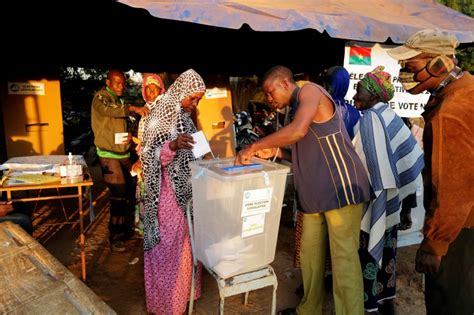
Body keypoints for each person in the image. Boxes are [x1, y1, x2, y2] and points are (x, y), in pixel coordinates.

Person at [236, 65, 371, 315]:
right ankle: (309, 309)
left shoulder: (310, 91)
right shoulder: (297, 108)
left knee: (344, 262)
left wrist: (253, 147)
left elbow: (298, 131)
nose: (269, 98)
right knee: (310, 257)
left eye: (270, 91)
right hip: (314, 194)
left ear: (285, 83)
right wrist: (275, 151)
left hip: (341, 189)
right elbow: (304, 149)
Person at [387, 29, 474, 315]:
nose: (403, 74)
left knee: (449, 302)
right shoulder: (467, 88)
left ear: (438, 64)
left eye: (409, 67)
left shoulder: (452, 110)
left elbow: (455, 185)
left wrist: (435, 243)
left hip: (460, 228)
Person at [351, 66, 424, 314]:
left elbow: (364, 167)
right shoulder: (393, 118)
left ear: (373, 94)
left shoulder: (371, 120)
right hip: (391, 201)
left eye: (360, 87)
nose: (356, 91)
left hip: (373, 202)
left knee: (369, 249)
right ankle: (386, 299)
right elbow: (409, 163)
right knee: (388, 249)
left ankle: (370, 304)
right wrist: (406, 208)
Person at [140, 69, 206, 315]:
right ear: (182, 92)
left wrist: (214, 164)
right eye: (193, 98)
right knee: (168, 252)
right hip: (165, 196)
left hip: (187, 193)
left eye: (199, 99)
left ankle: (185, 298)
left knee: (187, 245)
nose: (195, 104)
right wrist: (172, 145)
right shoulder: (160, 113)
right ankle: (167, 306)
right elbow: (148, 155)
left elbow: (199, 146)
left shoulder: (186, 116)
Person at [91, 69, 149, 251]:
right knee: (118, 192)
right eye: (117, 82)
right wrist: (133, 108)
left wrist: (131, 134)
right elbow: (107, 110)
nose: (121, 86)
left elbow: (127, 123)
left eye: (123, 83)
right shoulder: (101, 98)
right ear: (108, 82)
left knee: (131, 190)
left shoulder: (121, 101)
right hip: (108, 155)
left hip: (124, 154)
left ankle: (126, 229)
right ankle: (114, 236)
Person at [132, 73, 166, 235]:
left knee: (161, 202)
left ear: (161, 91)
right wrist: (140, 159)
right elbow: (143, 141)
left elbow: (164, 142)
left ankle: (162, 234)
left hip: (161, 164)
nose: (152, 93)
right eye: (148, 90)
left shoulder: (165, 112)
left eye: (155, 90)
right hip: (145, 164)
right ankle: (150, 234)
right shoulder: (144, 113)